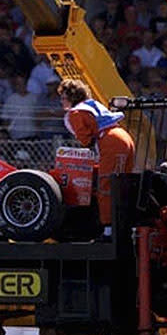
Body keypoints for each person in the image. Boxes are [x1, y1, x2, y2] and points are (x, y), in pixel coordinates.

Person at [58, 79, 134, 238]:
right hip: (123, 137)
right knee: (124, 185)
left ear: (71, 97)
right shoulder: (92, 105)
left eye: (63, 97)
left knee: (107, 185)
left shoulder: (76, 112)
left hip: (111, 143)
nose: (61, 101)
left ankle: (108, 230)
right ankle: (126, 226)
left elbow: (86, 140)